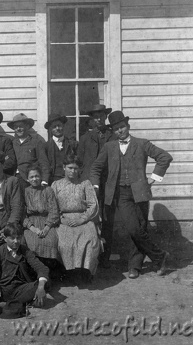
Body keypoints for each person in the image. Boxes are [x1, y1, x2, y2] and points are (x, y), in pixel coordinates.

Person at [90, 111, 172, 279]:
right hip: (121, 194)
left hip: (140, 192)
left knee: (140, 229)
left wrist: (154, 178)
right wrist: (96, 185)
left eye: (122, 127)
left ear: (128, 127)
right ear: (113, 131)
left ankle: (135, 266)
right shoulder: (109, 147)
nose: (120, 131)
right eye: (116, 129)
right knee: (133, 229)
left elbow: (164, 157)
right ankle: (160, 256)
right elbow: (96, 167)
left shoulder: (142, 144)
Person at [77, 104, 116, 268]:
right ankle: (91, 256)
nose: (99, 119)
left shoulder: (113, 136)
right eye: (95, 117)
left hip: (108, 184)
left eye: (101, 116)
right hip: (89, 184)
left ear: (105, 117)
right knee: (91, 218)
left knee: (107, 218)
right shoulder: (85, 138)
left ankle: (106, 258)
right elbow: (79, 161)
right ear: (91, 120)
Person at [52, 155, 101, 283]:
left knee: (89, 240)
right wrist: (60, 220)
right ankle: (69, 273)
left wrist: (82, 219)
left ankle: (85, 272)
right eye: (70, 168)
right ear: (64, 168)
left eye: (75, 168)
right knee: (64, 243)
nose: (73, 171)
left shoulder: (85, 184)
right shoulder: (56, 185)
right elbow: (51, 206)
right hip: (63, 219)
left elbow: (93, 204)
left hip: (83, 219)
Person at [0, 223, 48, 319]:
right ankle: (19, 304)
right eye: (12, 238)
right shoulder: (0, 251)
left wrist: (41, 287)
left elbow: (41, 267)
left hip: (21, 289)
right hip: (3, 289)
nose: (16, 241)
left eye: (18, 238)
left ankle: (5, 305)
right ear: (5, 238)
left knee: (44, 284)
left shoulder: (24, 250)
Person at [22, 166, 61, 274]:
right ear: (27, 179)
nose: (34, 179)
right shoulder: (25, 192)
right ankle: (35, 272)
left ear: (41, 177)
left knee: (52, 241)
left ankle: (49, 272)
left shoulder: (48, 190)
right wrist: (33, 228)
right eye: (31, 177)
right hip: (31, 223)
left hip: (47, 222)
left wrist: (47, 227)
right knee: (32, 242)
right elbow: (22, 214)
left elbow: (54, 210)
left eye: (37, 176)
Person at [7, 113, 50, 189]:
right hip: (14, 178)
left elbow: (43, 162)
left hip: (30, 179)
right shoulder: (12, 143)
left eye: (21, 126)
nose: (18, 129)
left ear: (27, 126)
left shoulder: (36, 142)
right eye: (16, 127)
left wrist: (44, 179)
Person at [42, 113, 78, 184]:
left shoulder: (72, 144)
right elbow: (44, 164)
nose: (57, 128)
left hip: (70, 180)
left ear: (63, 126)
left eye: (59, 126)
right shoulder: (46, 146)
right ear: (50, 129)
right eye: (54, 127)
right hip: (52, 180)